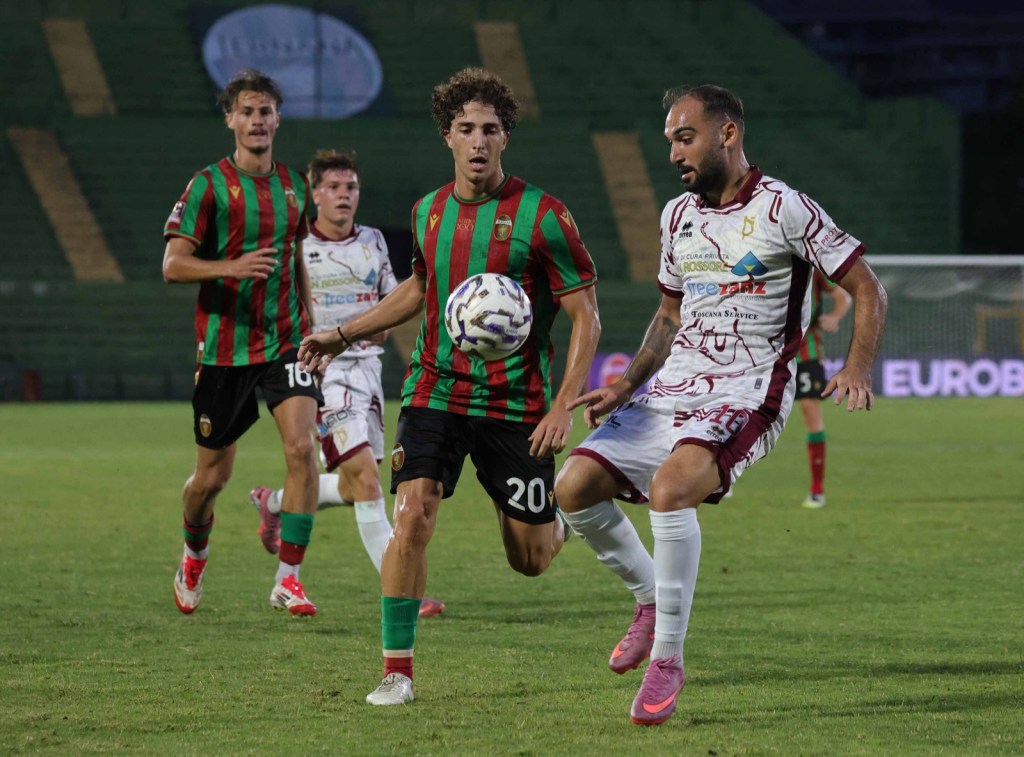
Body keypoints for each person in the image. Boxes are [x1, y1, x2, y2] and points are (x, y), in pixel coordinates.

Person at [553, 84, 887, 726]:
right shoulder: (676, 216)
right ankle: (651, 598)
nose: (675, 152)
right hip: (675, 384)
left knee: (673, 489)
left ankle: (669, 659)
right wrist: (626, 383)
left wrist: (857, 366)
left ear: (727, 133)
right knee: (573, 487)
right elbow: (669, 313)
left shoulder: (784, 207)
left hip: (749, 387)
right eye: (671, 141)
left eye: (686, 137)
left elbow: (865, 285)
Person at [298, 67, 602, 706]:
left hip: (516, 404)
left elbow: (586, 316)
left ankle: (558, 522)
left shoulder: (544, 216)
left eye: (490, 129)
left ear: (505, 137)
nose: (478, 141)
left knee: (531, 559)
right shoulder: (428, 210)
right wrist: (342, 332)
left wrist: (562, 404)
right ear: (447, 136)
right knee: (411, 514)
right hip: (435, 391)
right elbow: (417, 289)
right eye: (465, 129)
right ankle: (397, 672)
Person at [249, 148, 444, 618]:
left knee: (361, 486)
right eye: (334, 187)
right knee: (366, 479)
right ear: (315, 194)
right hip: (321, 371)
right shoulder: (298, 247)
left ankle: (274, 502)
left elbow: (393, 297)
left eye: (351, 188)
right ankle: (401, 593)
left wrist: (376, 325)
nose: (344, 195)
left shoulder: (373, 240)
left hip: (367, 370)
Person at [163, 68, 324, 618]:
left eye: (266, 111)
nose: (257, 121)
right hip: (225, 350)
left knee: (304, 451)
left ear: (278, 118)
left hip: (285, 342)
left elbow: (296, 257)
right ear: (230, 118)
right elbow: (172, 265)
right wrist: (232, 266)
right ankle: (193, 553)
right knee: (212, 479)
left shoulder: (295, 187)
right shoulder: (207, 184)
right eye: (247, 112)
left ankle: (289, 578)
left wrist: (313, 323)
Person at [796, 271, 852, 509]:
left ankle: (817, 490)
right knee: (744, 411)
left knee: (811, 413)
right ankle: (723, 481)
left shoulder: (812, 269)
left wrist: (834, 316)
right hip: (766, 352)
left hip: (806, 352)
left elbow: (843, 297)